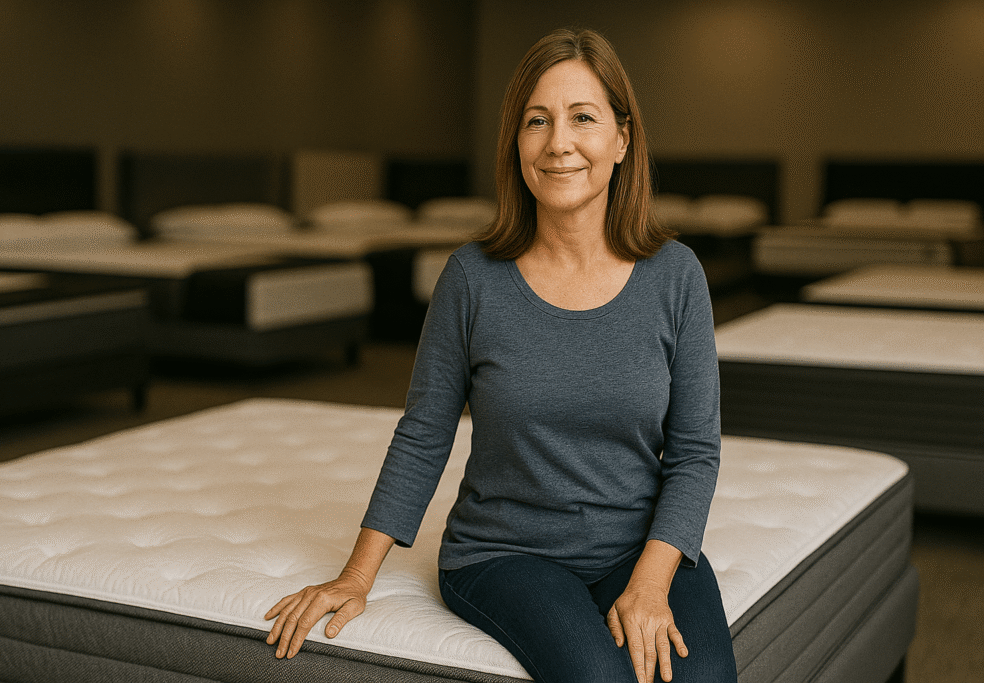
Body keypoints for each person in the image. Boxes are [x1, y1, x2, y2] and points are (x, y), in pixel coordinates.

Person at [265, 28, 737, 683]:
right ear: (516, 143)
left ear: (623, 139)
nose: (559, 143)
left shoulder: (676, 276)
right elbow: (425, 432)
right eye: (536, 121)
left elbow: (694, 451)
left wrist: (651, 583)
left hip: (636, 543)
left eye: (583, 118)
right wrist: (355, 575)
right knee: (600, 677)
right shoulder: (472, 279)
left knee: (704, 678)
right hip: (503, 551)